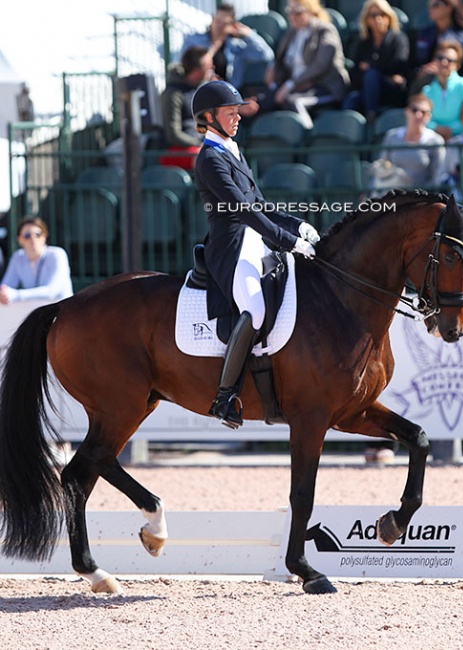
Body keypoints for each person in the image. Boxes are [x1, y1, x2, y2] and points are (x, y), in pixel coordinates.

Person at [191, 80, 320, 429]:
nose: (237, 118)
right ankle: (225, 396)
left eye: (237, 112)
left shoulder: (232, 149)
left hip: (254, 241)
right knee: (255, 310)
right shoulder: (210, 159)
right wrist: (287, 241)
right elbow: (242, 211)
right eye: (230, 113)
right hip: (231, 248)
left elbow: (259, 205)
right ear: (209, 117)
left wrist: (298, 226)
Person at [262, 0, 350, 127]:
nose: (292, 16)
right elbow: (281, 59)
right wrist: (273, 68)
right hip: (295, 87)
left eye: (297, 12)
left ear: (311, 12)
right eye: (290, 12)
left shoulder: (325, 30)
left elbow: (320, 65)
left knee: (294, 102)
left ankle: (308, 137)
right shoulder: (291, 32)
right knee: (262, 103)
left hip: (324, 87)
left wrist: (290, 85)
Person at [180, 3, 274, 91]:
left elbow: (266, 55)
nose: (219, 26)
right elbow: (187, 65)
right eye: (217, 21)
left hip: (229, 93)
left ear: (232, 25)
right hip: (200, 90)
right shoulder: (193, 41)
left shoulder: (236, 47)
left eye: (224, 23)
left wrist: (249, 35)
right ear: (212, 19)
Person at [343, 0, 409, 122]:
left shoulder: (398, 39)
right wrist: (384, 72)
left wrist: (372, 66)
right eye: (373, 15)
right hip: (368, 89)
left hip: (391, 90)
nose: (378, 19)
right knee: (351, 101)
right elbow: (355, 71)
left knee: (371, 74)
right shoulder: (363, 43)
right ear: (367, 20)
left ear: (389, 17)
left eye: (382, 14)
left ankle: (371, 115)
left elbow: (399, 62)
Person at [159, 46, 215, 170]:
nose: (212, 68)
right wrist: (199, 144)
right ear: (196, 69)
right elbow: (173, 134)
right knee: (208, 159)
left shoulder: (201, 89)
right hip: (178, 149)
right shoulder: (173, 94)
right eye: (208, 65)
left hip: (200, 144)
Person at [377, 94, 445, 189]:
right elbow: (382, 166)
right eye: (414, 110)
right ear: (407, 111)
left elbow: (437, 177)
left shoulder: (436, 141)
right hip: (392, 194)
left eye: (424, 112)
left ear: (429, 117)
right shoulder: (391, 136)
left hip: (423, 198)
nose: (418, 115)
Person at [0, 217, 73, 304]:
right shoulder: (17, 257)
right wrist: (4, 293)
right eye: (27, 235)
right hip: (37, 313)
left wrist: (16, 295)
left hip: (63, 313)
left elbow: (52, 291)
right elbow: (6, 286)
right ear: (20, 240)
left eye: (38, 234)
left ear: (44, 237)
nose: (33, 239)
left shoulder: (57, 254)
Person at [409, 0, 463, 93]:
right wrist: (421, 71)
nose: (431, 8)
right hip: (424, 80)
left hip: (452, 80)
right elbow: (411, 63)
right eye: (430, 5)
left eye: (436, 5)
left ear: (449, 7)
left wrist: (441, 67)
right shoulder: (423, 34)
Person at [422, 40, 463, 141]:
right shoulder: (427, 90)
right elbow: (422, 118)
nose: (444, 62)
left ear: (458, 65)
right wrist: (436, 129)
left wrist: (451, 130)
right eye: (440, 58)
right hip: (433, 140)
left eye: (449, 60)